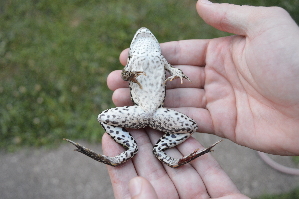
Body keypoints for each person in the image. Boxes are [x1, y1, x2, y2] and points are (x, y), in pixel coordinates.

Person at [103, 0, 299, 198]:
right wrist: (131, 75)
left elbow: (171, 69)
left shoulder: (158, 58)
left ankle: (160, 149)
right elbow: (125, 75)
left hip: (157, 111)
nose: (144, 34)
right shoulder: (133, 60)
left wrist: (176, 73)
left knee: (189, 126)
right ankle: (131, 146)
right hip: (143, 109)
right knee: (105, 118)